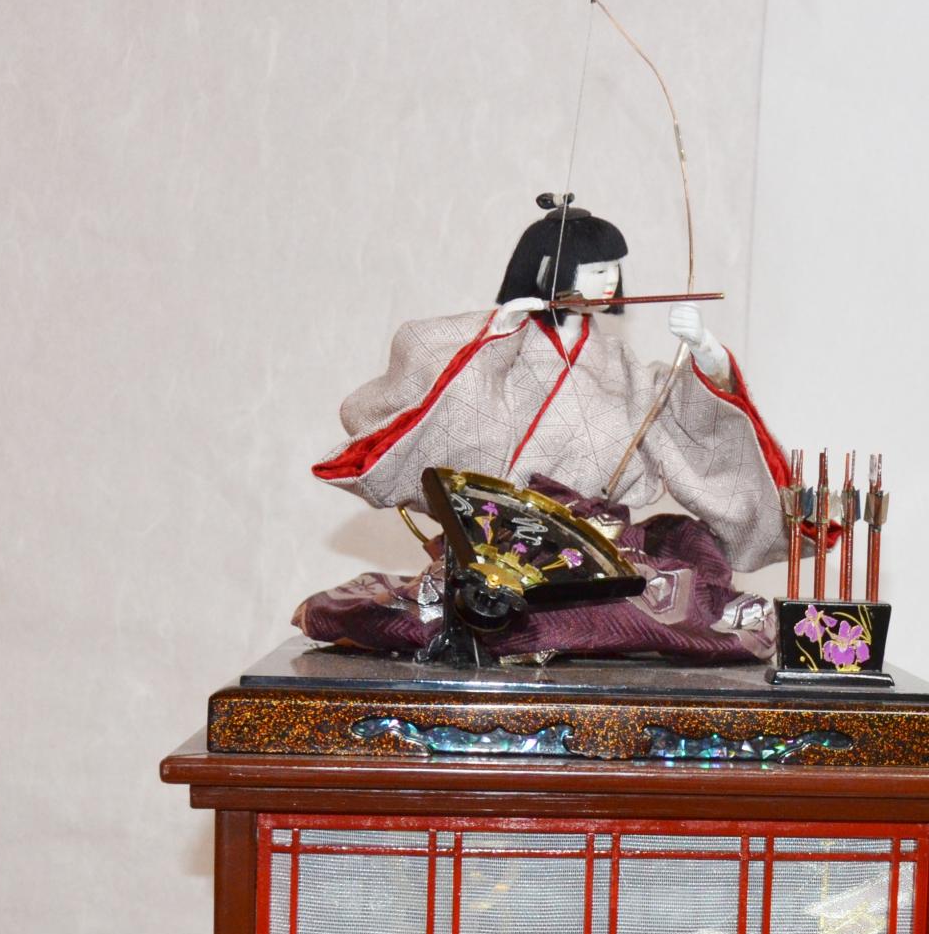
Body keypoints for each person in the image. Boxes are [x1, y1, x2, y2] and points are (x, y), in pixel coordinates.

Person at [295, 201, 797, 661]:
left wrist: (706, 352)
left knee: (678, 584)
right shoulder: (502, 350)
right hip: (505, 542)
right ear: (548, 272)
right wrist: (495, 334)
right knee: (461, 612)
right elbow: (441, 380)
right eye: (596, 270)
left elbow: (677, 414)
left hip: (597, 539)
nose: (609, 281)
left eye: (613, 269)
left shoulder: (620, 365)